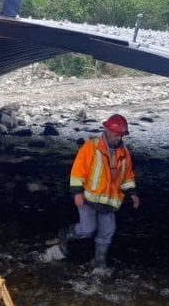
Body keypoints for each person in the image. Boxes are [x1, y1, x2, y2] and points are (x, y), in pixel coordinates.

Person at [58, 114, 140, 268]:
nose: (119, 138)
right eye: (117, 134)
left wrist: (132, 193)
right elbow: (78, 171)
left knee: (107, 232)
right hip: (89, 198)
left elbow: (127, 176)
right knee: (88, 229)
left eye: (122, 135)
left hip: (109, 201)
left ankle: (99, 263)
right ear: (107, 131)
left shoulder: (124, 152)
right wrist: (77, 193)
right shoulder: (91, 146)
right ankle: (66, 234)